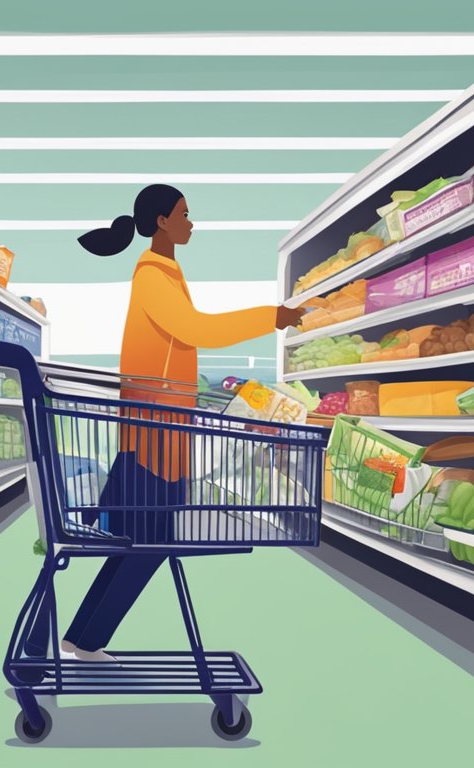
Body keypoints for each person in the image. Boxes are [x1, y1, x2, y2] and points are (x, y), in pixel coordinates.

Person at [40, 184, 303, 662]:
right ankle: (83, 641)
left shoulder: (166, 270)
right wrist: (274, 316)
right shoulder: (152, 274)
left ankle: (80, 640)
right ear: (162, 220)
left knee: (133, 547)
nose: (191, 221)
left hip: (158, 433)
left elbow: (177, 346)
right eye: (184, 213)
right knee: (148, 546)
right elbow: (195, 329)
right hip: (152, 438)